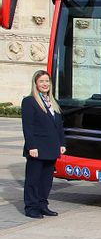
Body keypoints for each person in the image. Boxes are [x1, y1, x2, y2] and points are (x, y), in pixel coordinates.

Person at [21, 70, 65, 219]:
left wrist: (61, 143)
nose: (45, 84)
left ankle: (42, 205)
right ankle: (31, 207)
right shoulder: (29, 101)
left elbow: (58, 126)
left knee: (46, 180)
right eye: (41, 81)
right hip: (37, 148)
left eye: (47, 81)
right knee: (33, 180)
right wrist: (31, 146)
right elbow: (28, 126)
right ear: (36, 84)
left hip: (51, 147)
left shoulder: (52, 102)